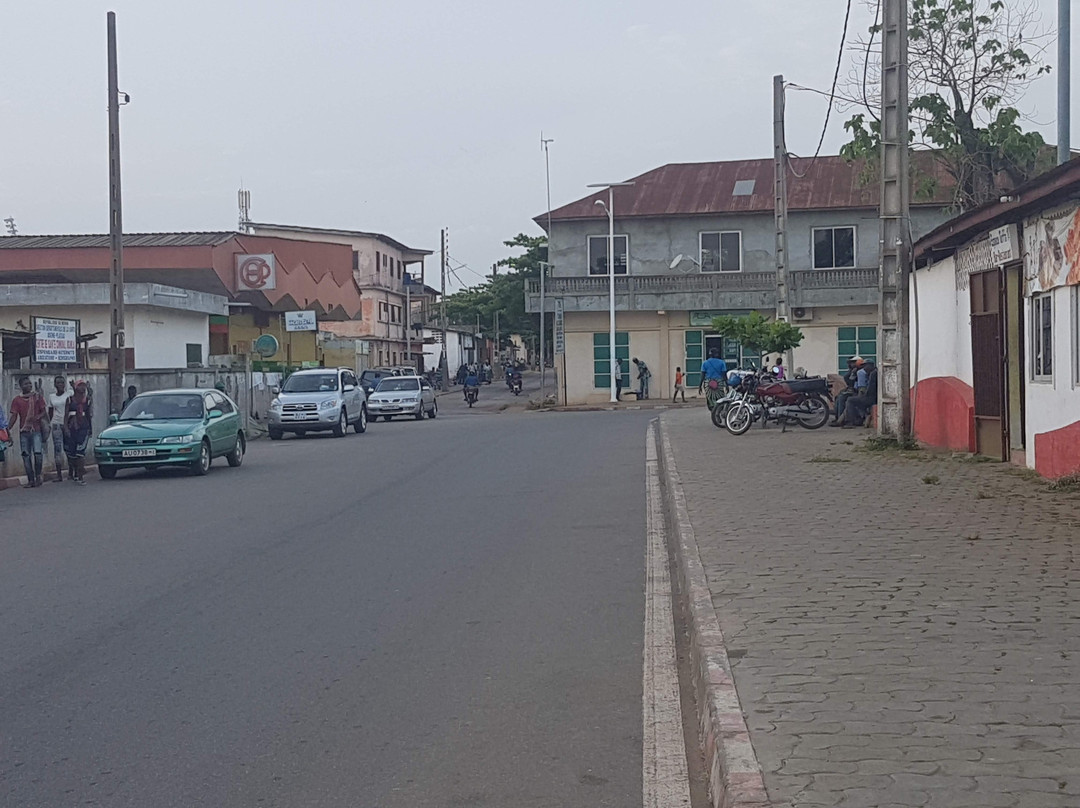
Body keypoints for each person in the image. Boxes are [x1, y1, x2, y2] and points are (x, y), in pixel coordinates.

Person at [9, 376, 48, 488]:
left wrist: (37, 417)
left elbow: (44, 412)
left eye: (29, 384)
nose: (29, 386)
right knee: (26, 456)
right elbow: (14, 416)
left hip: (36, 430)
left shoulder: (37, 397)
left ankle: (38, 477)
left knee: (37, 454)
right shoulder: (17, 400)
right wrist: (7, 430)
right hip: (24, 432)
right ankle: (31, 480)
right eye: (26, 384)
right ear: (21, 386)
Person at [64, 380, 93, 484]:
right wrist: (66, 428)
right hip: (72, 428)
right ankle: (75, 473)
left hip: (83, 428)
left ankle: (81, 477)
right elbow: (66, 415)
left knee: (80, 453)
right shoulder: (70, 400)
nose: (82, 388)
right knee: (72, 455)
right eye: (80, 386)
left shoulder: (87, 400)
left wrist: (90, 429)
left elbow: (89, 415)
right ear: (75, 388)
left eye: (83, 386)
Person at [47, 375, 73, 482]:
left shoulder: (70, 394)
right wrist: (50, 423)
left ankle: (71, 472)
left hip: (68, 424)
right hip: (56, 424)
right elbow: (50, 411)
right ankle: (59, 475)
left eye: (62, 382)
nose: (61, 385)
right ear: (55, 385)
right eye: (58, 383)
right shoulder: (52, 397)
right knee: (58, 450)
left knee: (69, 448)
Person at [843, 361, 878, 428]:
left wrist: (862, 394)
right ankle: (858, 419)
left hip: (871, 398)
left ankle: (850, 422)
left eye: (865, 366)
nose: (864, 368)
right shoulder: (872, 373)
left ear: (870, 365)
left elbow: (870, 389)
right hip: (871, 396)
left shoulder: (873, 374)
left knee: (850, 400)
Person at [830, 356, 862, 426]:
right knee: (838, 397)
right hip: (853, 389)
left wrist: (852, 373)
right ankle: (838, 417)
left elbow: (850, 381)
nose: (849, 364)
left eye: (852, 363)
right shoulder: (853, 370)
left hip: (857, 391)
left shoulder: (858, 371)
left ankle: (841, 421)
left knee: (842, 398)